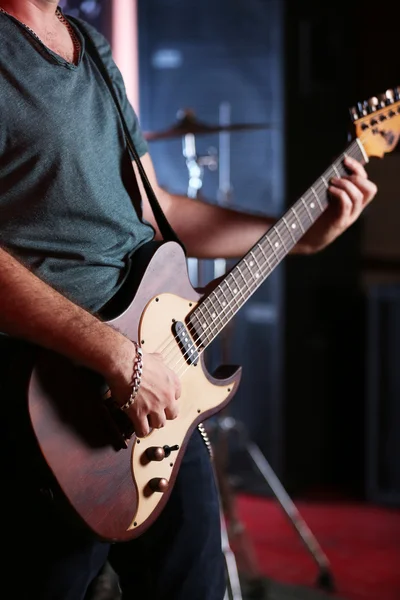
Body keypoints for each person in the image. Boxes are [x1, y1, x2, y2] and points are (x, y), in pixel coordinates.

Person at [0, 2, 377, 599]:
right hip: (56, 405)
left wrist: (300, 234)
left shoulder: (92, 48)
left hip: (165, 394)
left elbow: (162, 212)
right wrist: (117, 358)